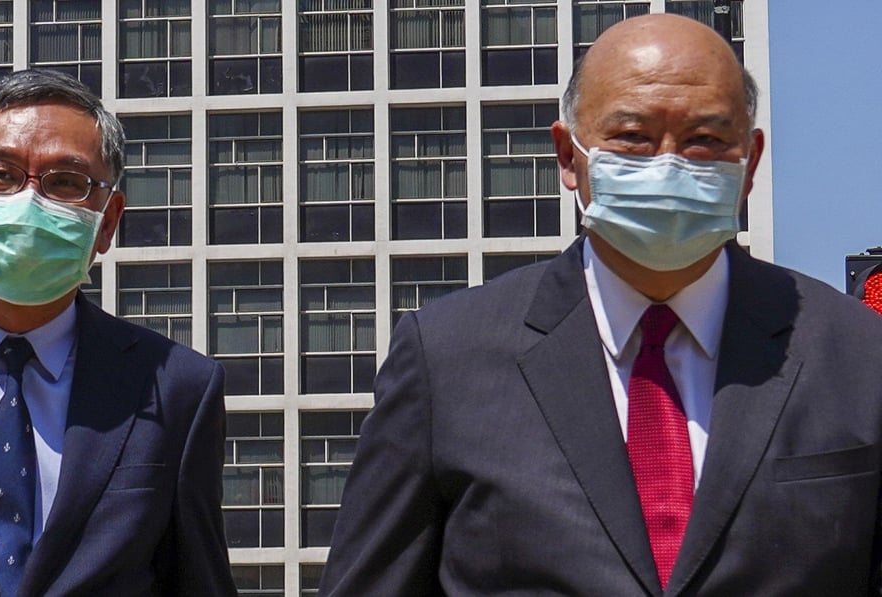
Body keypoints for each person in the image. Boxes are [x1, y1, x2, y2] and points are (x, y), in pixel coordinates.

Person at [320, 14, 882, 596]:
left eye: (706, 140)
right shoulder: (447, 358)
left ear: (751, 161)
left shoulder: (859, 354)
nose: (669, 164)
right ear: (569, 155)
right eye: (633, 137)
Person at [0, 70, 237, 596]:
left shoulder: (177, 388)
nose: (29, 203)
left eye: (65, 182)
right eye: (0, 174)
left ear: (107, 222)